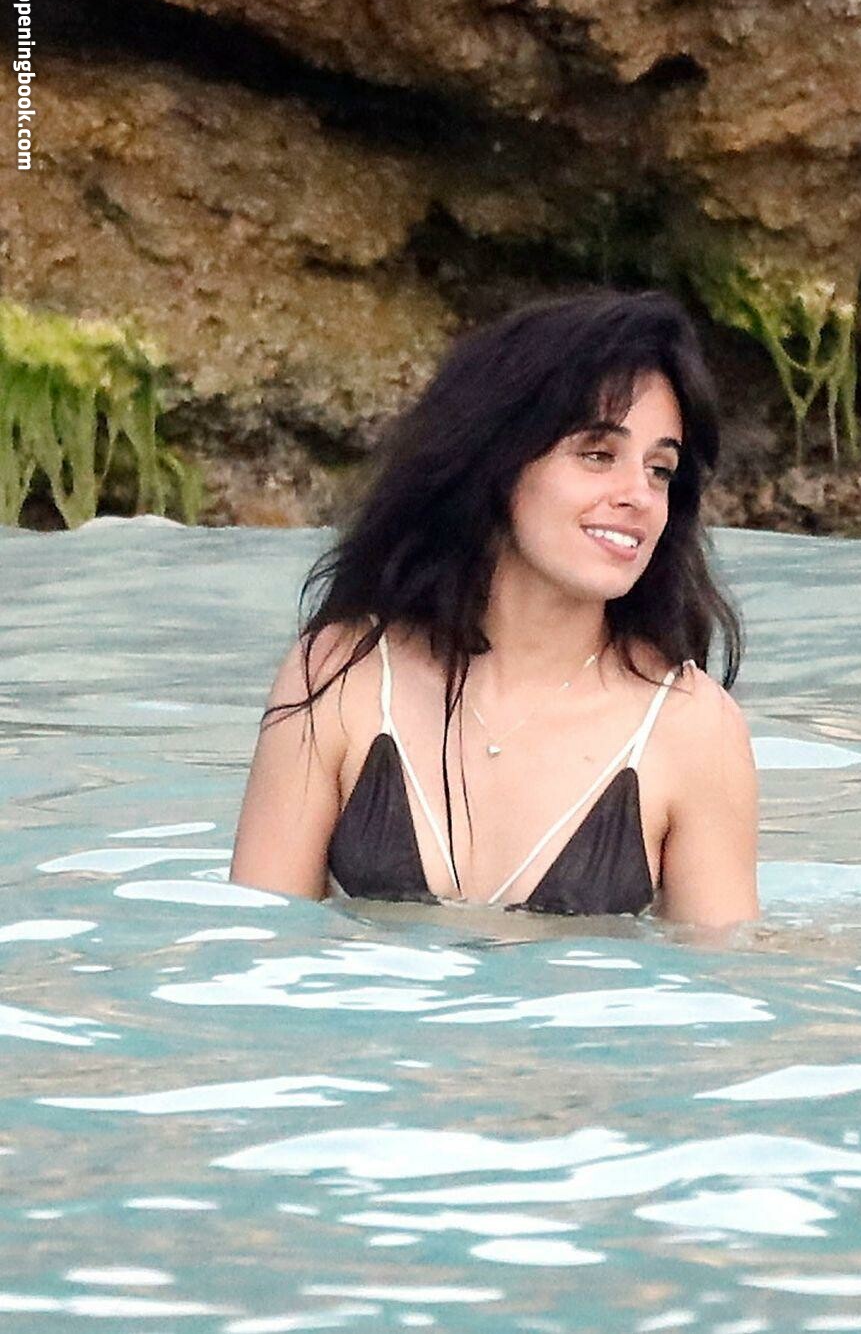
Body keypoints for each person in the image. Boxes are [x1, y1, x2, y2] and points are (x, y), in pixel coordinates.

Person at [231, 291, 758, 923]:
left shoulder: (693, 728)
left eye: (660, 470)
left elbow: (719, 975)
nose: (638, 496)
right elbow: (255, 946)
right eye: (598, 455)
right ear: (497, 462)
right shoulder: (338, 676)